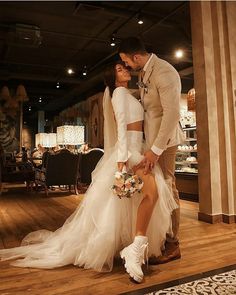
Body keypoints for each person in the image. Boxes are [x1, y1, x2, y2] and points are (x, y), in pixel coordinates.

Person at [0, 62, 177, 283]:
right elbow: (122, 127)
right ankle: (134, 248)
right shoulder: (119, 94)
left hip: (137, 149)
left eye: (124, 67)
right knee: (151, 194)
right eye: (120, 69)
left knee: (140, 199)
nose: (124, 70)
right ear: (113, 78)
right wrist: (123, 160)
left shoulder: (128, 93)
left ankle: (133, 246)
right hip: (130, 152)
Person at [119, 37, 185, 264]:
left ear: (136, 57)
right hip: (153, 139)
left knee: (168, 185)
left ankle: (173, 243)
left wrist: (156, 149)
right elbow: (149, 104)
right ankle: (161, 236)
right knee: (158, 186)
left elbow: (171, 114)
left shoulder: (164, 72)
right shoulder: (143, 73)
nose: (126, 65)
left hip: (165, 141)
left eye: (125, 60)